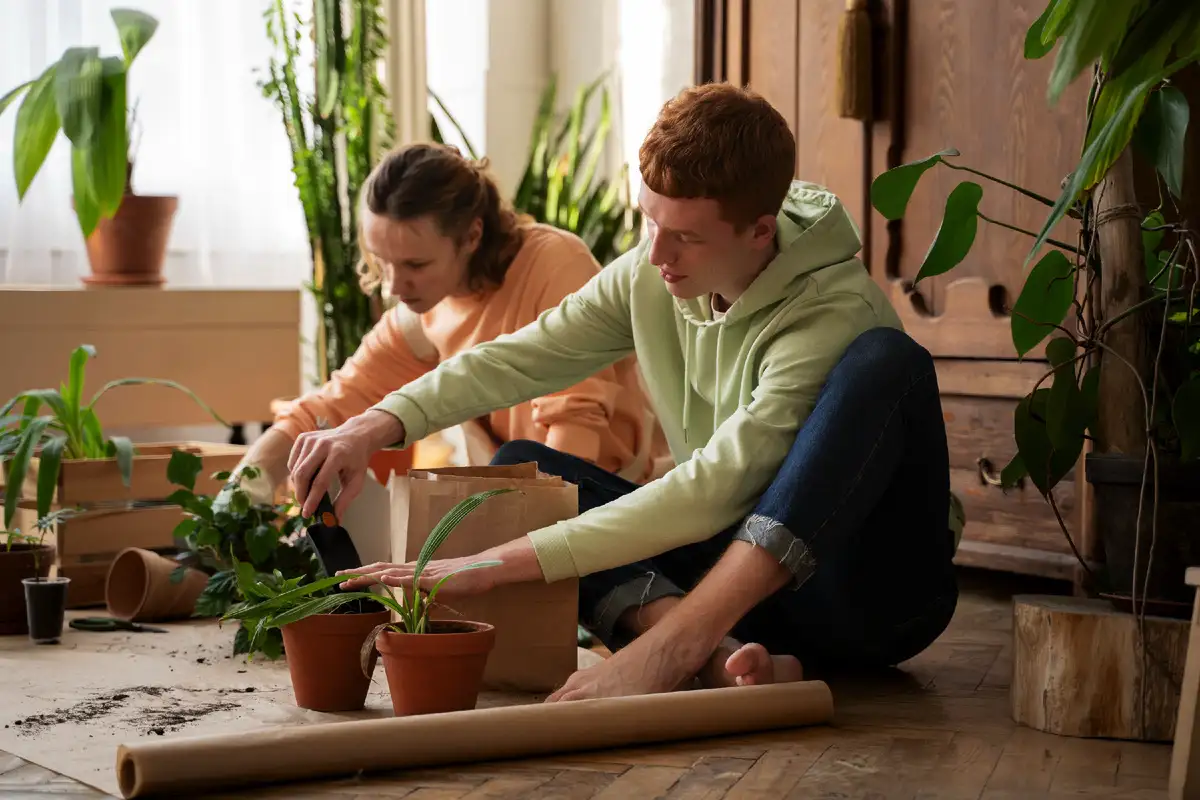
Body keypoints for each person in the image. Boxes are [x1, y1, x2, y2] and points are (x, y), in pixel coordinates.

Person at [287, 83, 962, 701]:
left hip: (861, 598)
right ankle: (723, 660)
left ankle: (675, 647)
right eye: (650, 222)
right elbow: (528, 354)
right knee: (525, 468)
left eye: (687, 237)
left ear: (760, 230)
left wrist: (495, 565)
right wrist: (374, 424)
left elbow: (714, 489)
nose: (658, 254)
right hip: (742, 600)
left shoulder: (831, 310)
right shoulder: (653, 270)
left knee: (888, 361)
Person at [235, 141, 665, 504]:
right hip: (524, 502)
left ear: (472, 236)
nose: (393, 286)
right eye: (381, 262)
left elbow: (575, 432)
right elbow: (329, 409)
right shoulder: (421, 315)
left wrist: (527, 551)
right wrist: (238, 494)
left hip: (608, 496)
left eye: (415, 264)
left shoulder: (553, 263)